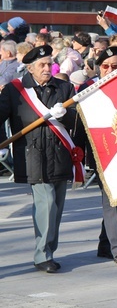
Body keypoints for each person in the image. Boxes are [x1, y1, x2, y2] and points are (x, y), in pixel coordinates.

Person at [0, 45, 80, 273]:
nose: (47, 69)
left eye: (49, 64)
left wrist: (67, 115)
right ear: (30, 68)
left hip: (60, 153)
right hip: (33, 154)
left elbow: (77, 120)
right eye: (42, 65)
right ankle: (43, 254)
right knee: (46, 204)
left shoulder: (64, 87)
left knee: (56, 206)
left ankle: (48, 250)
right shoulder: (15, 90)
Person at [77, 47, 117, 263]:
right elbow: (80, 126)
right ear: (98, 68)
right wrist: (79, 157)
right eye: (105, 66)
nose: (110, 70)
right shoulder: (88, 89)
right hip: (102, 152)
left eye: (115, 66)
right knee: (111, 199)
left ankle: (105, 244)